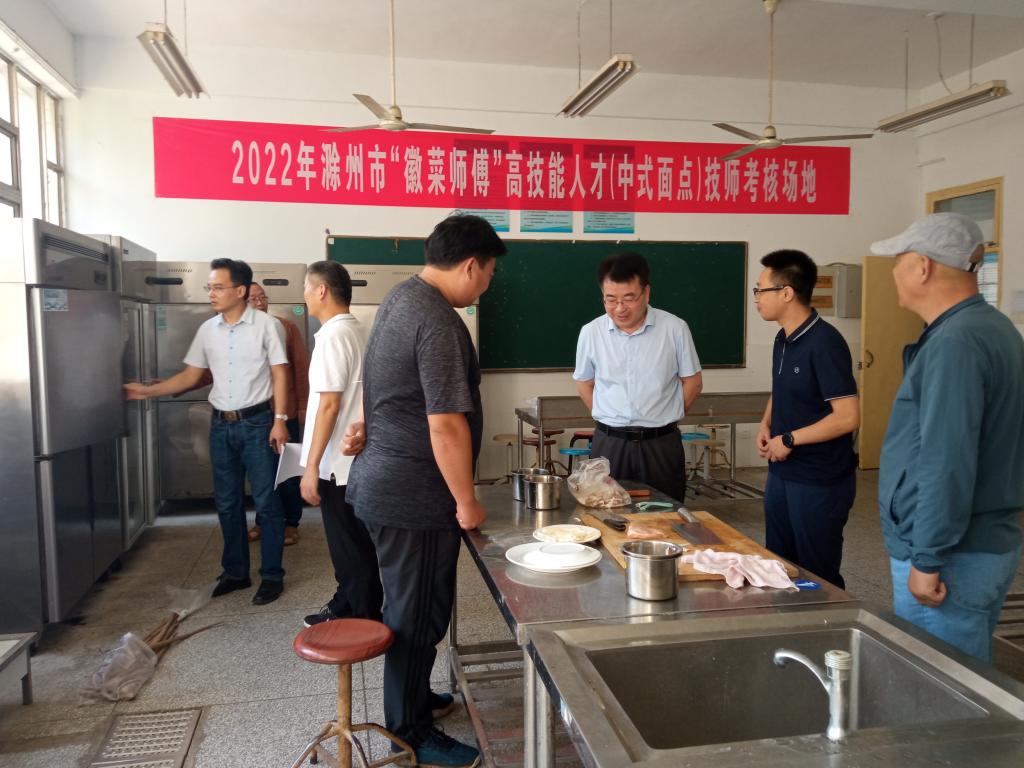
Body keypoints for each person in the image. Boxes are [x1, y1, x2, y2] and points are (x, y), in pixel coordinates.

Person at [346, 214, 505, 768]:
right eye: (488, 275)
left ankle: (413, 695)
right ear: (470, 265)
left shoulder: (400, 297)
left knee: (413, 607)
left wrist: (368, 426)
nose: (485, 287)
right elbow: (445, 424)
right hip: (414, 495)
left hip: (386, 482)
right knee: (416, 616)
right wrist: (465, 500)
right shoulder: (437, 321)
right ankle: (409, 731)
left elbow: (385, 388)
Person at [872, 212, 1024, 663]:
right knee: (966, 676)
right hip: (985, 543)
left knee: (936, 688)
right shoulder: (993, 328)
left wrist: (928, 559)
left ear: (923, 266)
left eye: (898, 262)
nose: (894, 274)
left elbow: (946, 461)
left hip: (953, 557)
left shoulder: (955, 342)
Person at [125, 258, 290, 605]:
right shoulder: (207, 330)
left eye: (217, 287)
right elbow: (190, 376)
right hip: (220, 425)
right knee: (227, 503)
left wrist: (280, 420)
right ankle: (236, 573)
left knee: (266, 503)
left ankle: (272, 576)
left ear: (240, 291)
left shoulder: (267, 326)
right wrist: (148, 391)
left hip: (258, 423)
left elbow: (280, 373)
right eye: (209, 287)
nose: (211, 293)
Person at [753, 250, 860, 590]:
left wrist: (789, 439)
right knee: (780, 566)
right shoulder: (783, 338)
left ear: (786, 293)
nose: (756, 298)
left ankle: (829, 623)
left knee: (817, 573)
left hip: (819, 479)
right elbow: (781, 387)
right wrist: (766, 423)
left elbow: (848, 417)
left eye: (760, 290)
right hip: (782, 473)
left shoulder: (825, 343)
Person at [573, 251, 703, 502]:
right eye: (610, 300)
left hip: (660, 445)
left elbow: (693, 383)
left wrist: (663, 417)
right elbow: (584, 384)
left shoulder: (675, 329)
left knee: (665, 511)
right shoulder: (591, 332)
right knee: (607, 512)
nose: (619, 308)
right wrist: (610, 419)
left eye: (628, 298)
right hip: (610, 444)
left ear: (646, 293)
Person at [296, 261, 382, 627]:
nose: (304, 295)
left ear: (321, 291)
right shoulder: (358, 330)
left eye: (306, 288)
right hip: (355, 458)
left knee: (348, 543)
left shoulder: (333, 336)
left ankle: (360, 616)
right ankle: (349, 602)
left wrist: (312, 466)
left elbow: (329, 405)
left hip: (337, 463)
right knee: (354, 541)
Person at [245, 281, 309, 546]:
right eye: (253, 299)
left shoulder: (286, 327)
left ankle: (291, 522)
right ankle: (265, 520)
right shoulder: (238, 333)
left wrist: (303, 406)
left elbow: (301, 370)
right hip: (254, 415)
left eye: (263, 297)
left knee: (287, 471)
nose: (260, 303)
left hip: (286, 413)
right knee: (261, 473)